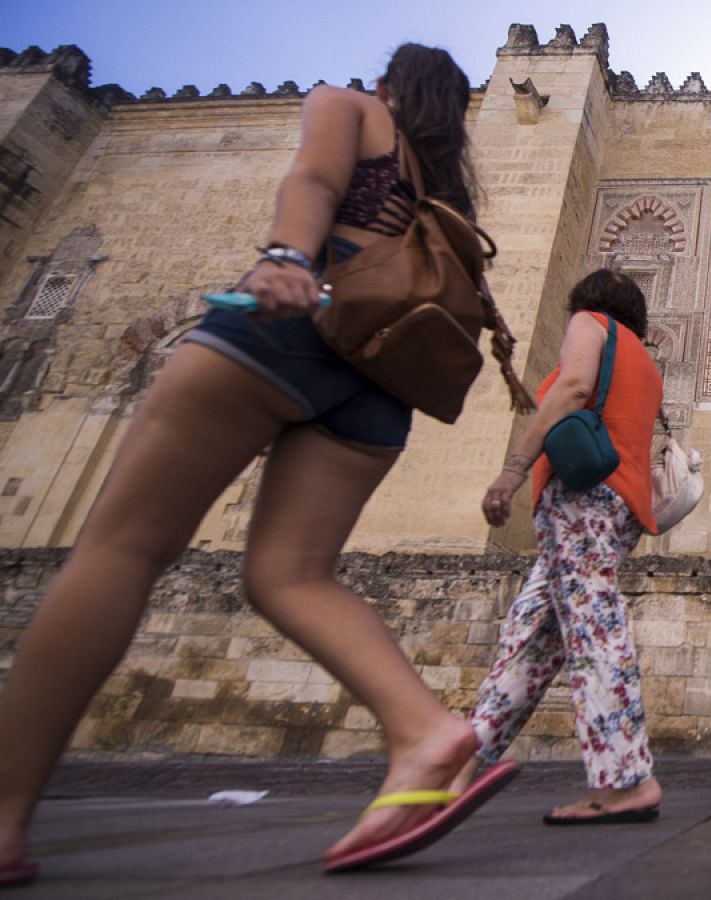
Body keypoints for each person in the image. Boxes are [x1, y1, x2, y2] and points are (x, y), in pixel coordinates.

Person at [0, 44, 517, 885]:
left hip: (291, 326)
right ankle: (425, 729)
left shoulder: (351, 106)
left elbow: (312, 181)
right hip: (379, 386)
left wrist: (285, 254)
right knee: (291, 576)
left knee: (119, 549)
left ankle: (5, 818)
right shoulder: (450, 189)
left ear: (391, 84)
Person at [453, 269, 665, 825]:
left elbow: (572, 390)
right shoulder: (642, 360)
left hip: (584, 501)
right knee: (530, 636)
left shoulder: (588, 324)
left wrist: (513, 468)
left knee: (595, 626)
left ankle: (624, 781)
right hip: (613, 507)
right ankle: (461, 764)